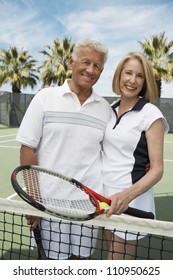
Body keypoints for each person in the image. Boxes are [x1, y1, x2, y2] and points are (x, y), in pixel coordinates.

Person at [16, 39, 112, 260]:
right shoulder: (44, 98)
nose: (90, 70)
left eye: (97, 66)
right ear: (71, 62)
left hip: (87, 203)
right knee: (53, 264)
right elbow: (27, 149)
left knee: (80, 261)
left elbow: (115, 149)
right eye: (85, 62)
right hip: (49, 202)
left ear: (102, 70)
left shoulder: (105, 109)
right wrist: (34, 199)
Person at [102, 52, 169, 260]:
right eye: (128, 73)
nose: (132, 80)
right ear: (119, 75)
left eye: (139, 76)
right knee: (110, 257)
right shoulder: (109, 108)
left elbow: (157, 169)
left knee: (118, 264)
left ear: (145, 81)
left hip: (131, 202)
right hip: (105, 197)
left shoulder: (151, 114)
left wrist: (126, 197)